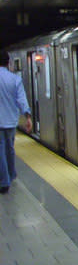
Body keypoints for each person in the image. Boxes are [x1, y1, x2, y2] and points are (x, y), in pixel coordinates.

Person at [0, 50, 32, 193]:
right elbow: (21, 99)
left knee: (0, 150)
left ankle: (4, 181)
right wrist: (28, 117)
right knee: (10, 148)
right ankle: (12, 175)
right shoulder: (15, 79)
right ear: (8, 63)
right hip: (12, 120)